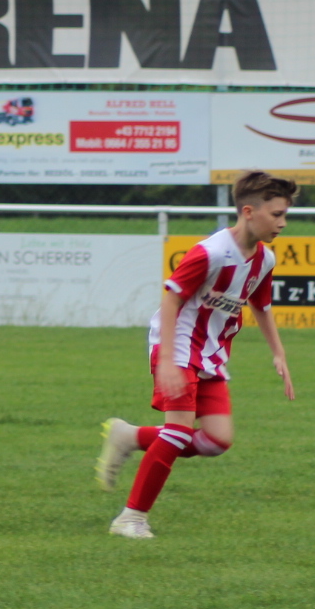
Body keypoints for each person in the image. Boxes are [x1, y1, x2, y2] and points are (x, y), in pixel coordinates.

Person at [95, 170, 298, 538]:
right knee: (177, 432)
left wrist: (278, 353)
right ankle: (131, 518)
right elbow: (171, 299)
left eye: (285, 215)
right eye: (276, 214)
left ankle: (131, 437)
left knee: (216, 440)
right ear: (248, 211)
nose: (282, 223)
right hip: (177, 345)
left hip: (210, 354)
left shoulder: (265, 260)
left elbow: (261, 305)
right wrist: (168, 359)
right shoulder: (211, 252)